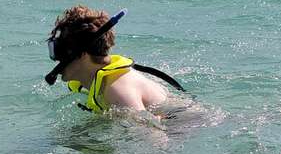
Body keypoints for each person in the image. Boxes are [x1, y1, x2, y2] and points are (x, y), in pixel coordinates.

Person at [44, 6, 182, 115]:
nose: (56, 58)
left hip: (184, 125)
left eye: (60, 50)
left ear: (83, 55)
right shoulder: (98, 82)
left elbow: (156, 140)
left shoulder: (117, 90)